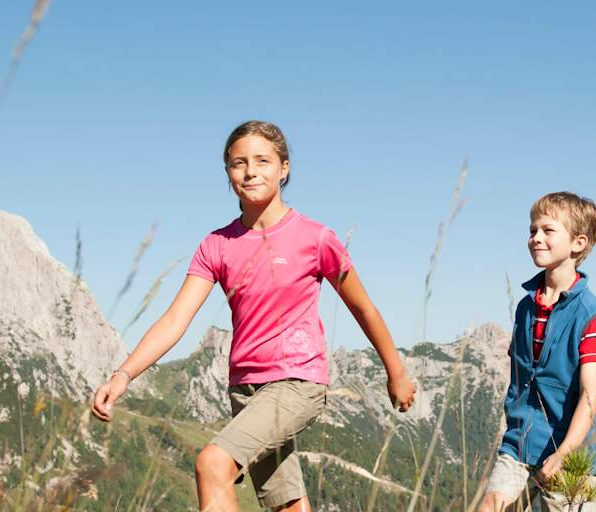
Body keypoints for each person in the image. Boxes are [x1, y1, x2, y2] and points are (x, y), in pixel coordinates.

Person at [89, 120, 416, 511]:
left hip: (297, 382)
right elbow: (175, 320)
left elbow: (363, 306)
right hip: (244, 389)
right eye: (238, 163)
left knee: (212, 464)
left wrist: (395, 371)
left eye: (263, 160)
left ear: (284, 168)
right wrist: (122, 375)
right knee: (286, 506)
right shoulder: (217, 245)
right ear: (228, 173)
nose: (250, 171)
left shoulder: (315, 238)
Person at [479, 192, 596, 512]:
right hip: (521, 442)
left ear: (578, 243)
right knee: (488, 506)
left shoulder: (593, 316)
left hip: (573, 455)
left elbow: (589, 396)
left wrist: (566, 451)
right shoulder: (526, 306)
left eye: (547, 230)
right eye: (532, 231)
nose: (535, 238)